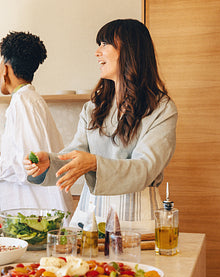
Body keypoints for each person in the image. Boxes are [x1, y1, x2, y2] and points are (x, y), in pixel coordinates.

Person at [24, 19, 178, 233]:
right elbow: (76, 155)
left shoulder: (162, 109)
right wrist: (48, 164)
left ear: (130, 50)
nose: (97, 52)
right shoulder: (93, 108)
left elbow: (146, 168)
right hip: (90, 216)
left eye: (105, 44)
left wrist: (95, 163)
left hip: (137, 222)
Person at [0, 31, 74, 217]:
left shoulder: (23, 104)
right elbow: (33, 153)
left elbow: (31, 166)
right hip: (37, 207)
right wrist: (4, 156)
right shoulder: (30, 100)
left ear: (5, 69)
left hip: (35, 211)